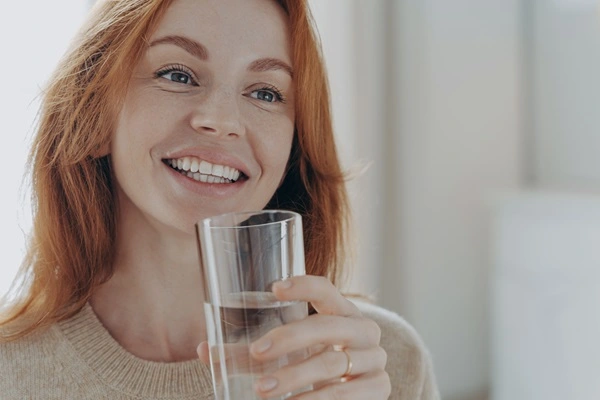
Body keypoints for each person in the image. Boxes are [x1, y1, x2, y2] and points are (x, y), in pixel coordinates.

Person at [0, 0, 440, 399]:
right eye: (177, 74)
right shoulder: (10, 369)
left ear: (294, 149)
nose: (222, 120)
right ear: (92, 116)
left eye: (265, 92)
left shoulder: (379, 364)